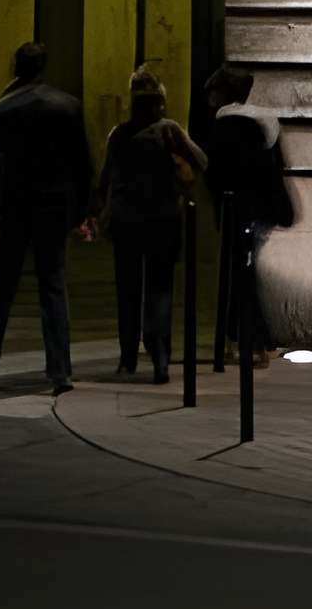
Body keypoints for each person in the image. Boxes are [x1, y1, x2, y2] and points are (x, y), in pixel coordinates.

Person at [0, 41, 94, 392]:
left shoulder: (0, 111)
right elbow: (81, 164)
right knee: (53, 287)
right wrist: (83, 210)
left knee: (2, 287)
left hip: (15, 208)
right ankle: (60, 369)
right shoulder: (67, 106)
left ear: (16, 67)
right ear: (42, 68)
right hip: (54, 209)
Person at [96, 69, 205, 385]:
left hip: (127, 221)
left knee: (127, 291)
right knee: (160, 291)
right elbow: (201, 160)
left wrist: (100, 212)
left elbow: (105, 179)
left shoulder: (119, 134)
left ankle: (127, 358)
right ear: (160, 101)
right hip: (163, 221)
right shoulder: (168, 130)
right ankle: (160, 359)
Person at [205, 62, 293, 368]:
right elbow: (277, 166)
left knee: (239, 276)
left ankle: (258, 341)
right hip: (261, 209)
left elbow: (215, 173)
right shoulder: (266, 121)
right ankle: (233, 337)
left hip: (236, 209)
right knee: (242, 272)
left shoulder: (225, 124)